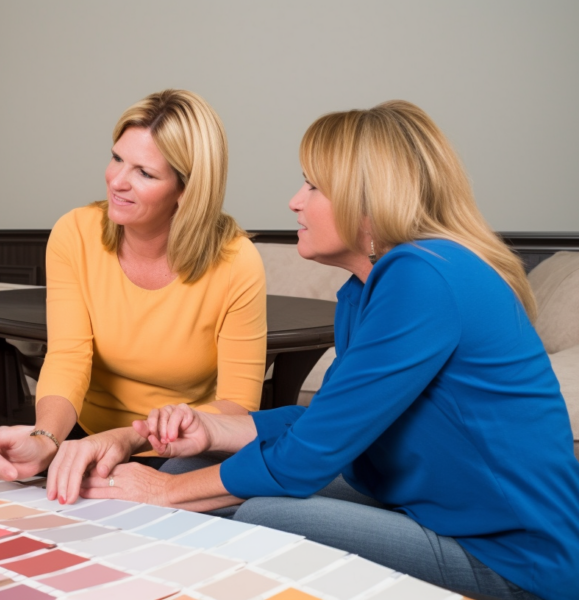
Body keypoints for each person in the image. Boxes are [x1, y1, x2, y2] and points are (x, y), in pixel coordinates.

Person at [70, 100, 579, 600]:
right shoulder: (365, 289)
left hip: (510, 559)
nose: (295, 200)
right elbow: (327, 420)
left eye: (314, 186)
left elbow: (306, 459)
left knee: (263, 515)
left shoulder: (424, 278)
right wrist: (215, 429)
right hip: (427, 505)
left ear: (367, 204)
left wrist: (161, 494)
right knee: (188, 466)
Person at [0, 90, 267, 501]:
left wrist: (128, 440)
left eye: (144, 173)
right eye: (117, 158)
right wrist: (46, 438)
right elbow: (69, 356)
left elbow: (238, 408)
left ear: (186, 190)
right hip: (88, 437)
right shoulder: (75, 233)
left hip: (186, 446)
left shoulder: (237, 261)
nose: (116, 181)